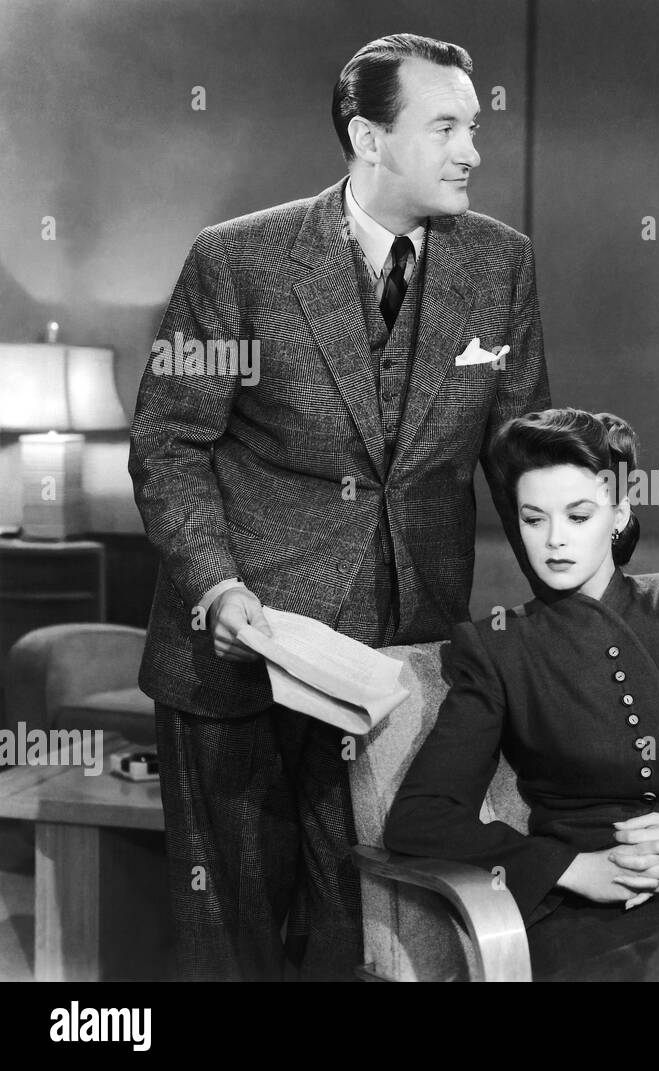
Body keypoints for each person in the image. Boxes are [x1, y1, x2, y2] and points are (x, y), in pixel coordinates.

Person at [128, 33, 550, 981]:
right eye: (445, 126)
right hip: (237, 649)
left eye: (473, 125)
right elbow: (168, 441)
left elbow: (523, 456)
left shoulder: (501, 264)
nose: (472, 149)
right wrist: (218, 585)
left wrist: (587, 592)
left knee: (371, 928)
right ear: (367, 136)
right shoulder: (237, 260)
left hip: (398, 660)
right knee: (228, 932)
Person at [384, 408, 659, 981]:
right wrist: (568, 868)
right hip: (571, 918)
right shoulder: (496, 646)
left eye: (578, 516)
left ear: (618, 513)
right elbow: (422, 816)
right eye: (533, 520)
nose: (554, 540)